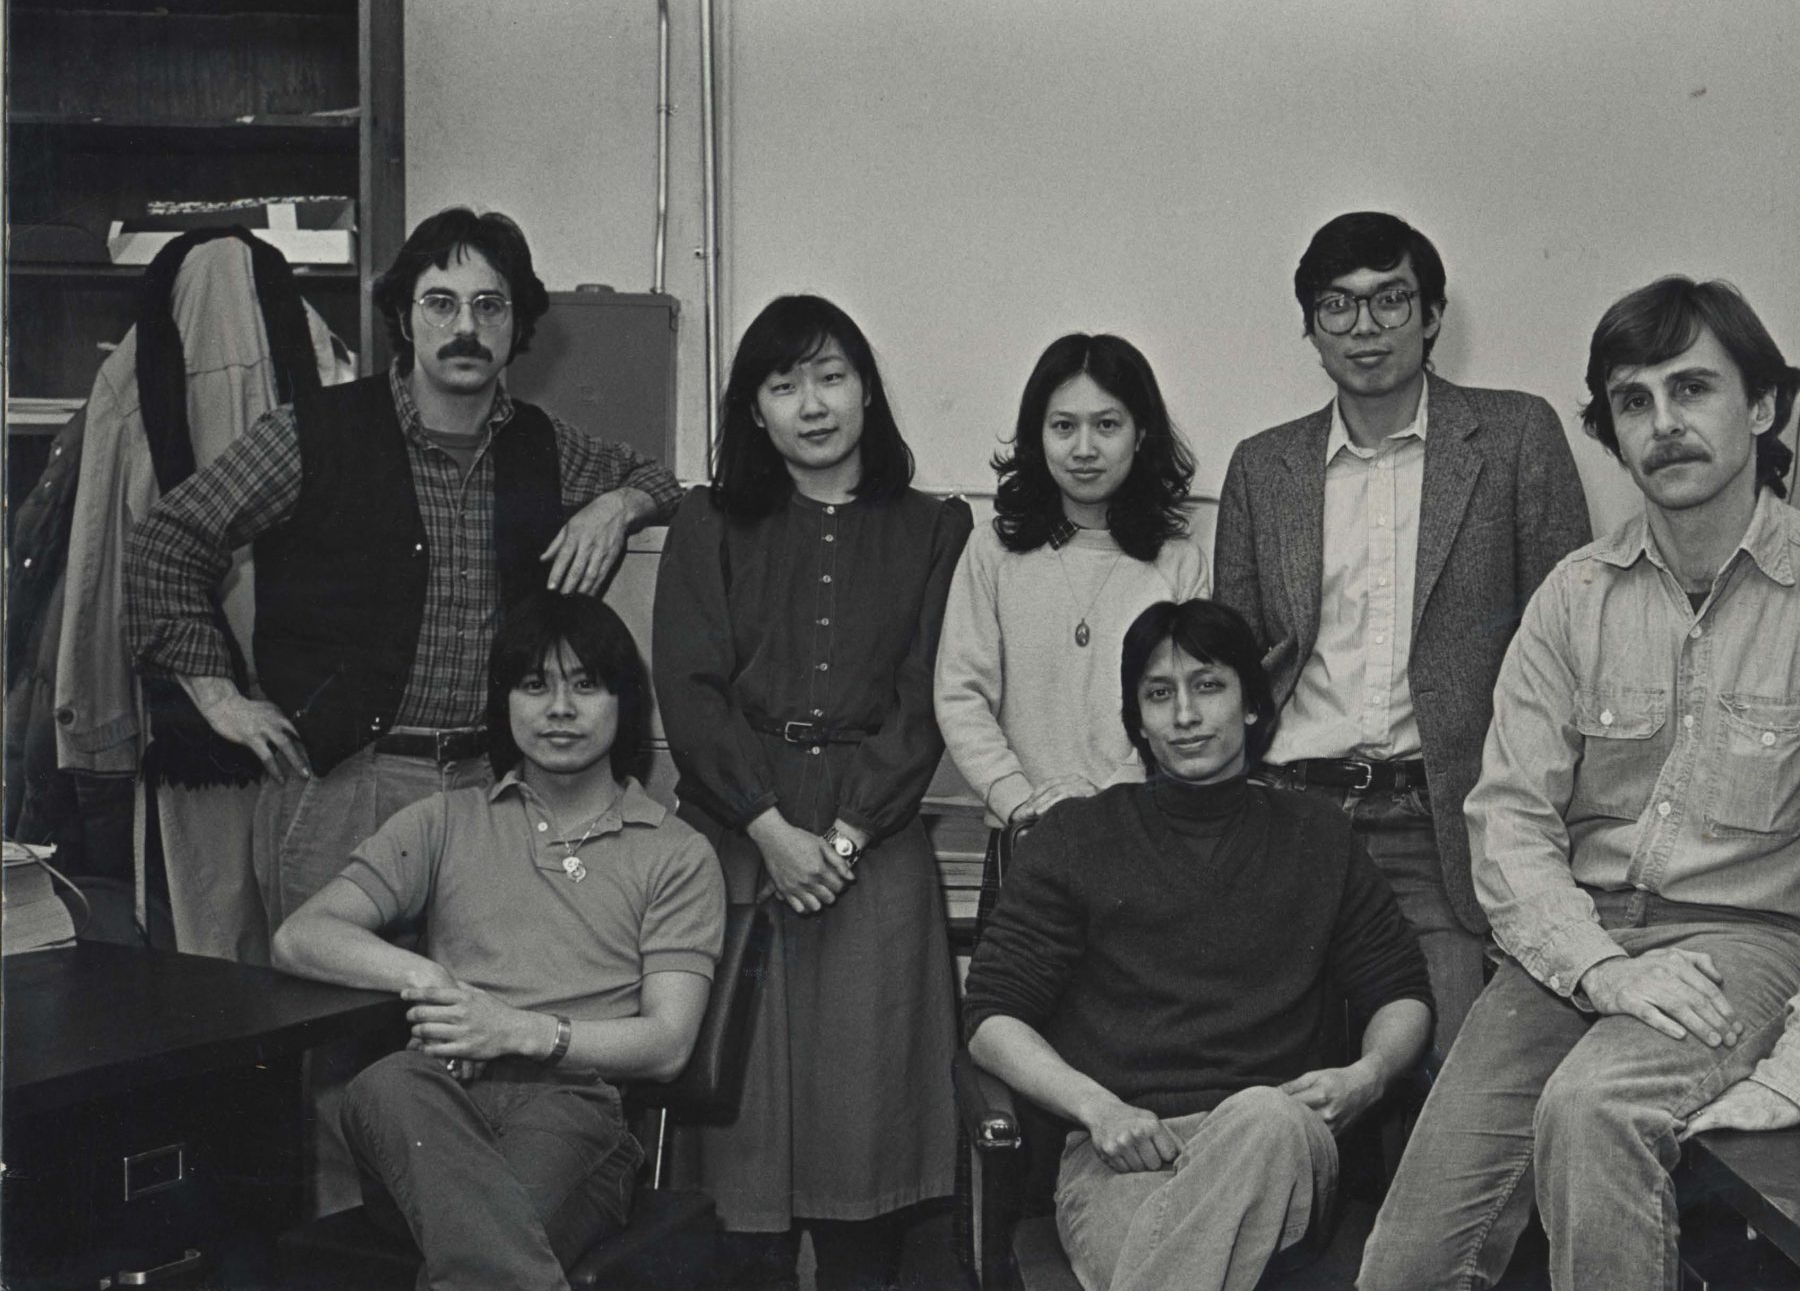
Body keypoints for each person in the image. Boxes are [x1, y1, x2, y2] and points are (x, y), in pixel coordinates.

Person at [1360, 276, 1800, 1291]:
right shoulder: (1574, 597)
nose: (1664, 424)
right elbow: (1508, 821)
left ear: (1765, 406)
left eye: (1692, 389)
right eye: (1633, 401)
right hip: (1577, 942)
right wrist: (1599, 967)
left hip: (1747, 938)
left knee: (1594, 1110)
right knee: (1405, 1260)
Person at [125, 206, 682, 934]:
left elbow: (665, 481)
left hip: (491, 789)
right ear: (404, 316)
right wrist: (217, 696)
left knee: (475, 1020)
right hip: (343, 789)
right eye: (441, 303)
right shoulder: (312, 434)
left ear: (517, 326)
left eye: (490, 306)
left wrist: (618, 504)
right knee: (332, 1028)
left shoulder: (544, 446)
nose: (466, 328)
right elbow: (165, 540)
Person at [964, 599, 1432, 1291]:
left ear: (1250, 703)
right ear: (1138, 719)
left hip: (1281, 1150)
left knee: (1266, 1119)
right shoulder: (1075, 838)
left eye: (1208, 686)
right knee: (1167, 1248)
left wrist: (1366, 1077)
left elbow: (1401, 992)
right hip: (1120, 1158)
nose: (1184, 715)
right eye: (1159, 694)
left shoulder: (1317, 836)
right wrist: (1100, 1109)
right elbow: (991, 1020)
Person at [1213, 211, 1591, 1056]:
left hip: (1442, 815)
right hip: (1292, 811)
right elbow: (1231, 661)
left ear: (1431, 315)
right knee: (1271, 1063)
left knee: (1453, 1068)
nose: (1366, 327)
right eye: (1337, 306)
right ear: (1309, 328)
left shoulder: (1517, 436)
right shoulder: (1262, 467)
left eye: (1391, 300)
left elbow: (1573, 646)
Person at [653, 295, 972, 1290]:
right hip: (734, 838)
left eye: (831, 377)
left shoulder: (935, 527)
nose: (812, 404)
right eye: (783, 384)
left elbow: (927, 699)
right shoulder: (706, 520)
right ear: (754, 410)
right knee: (736, 1134)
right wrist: (771, 830)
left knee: (868, 1130)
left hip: (872, 848)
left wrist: (839, 834)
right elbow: (689, 686)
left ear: (868, 391)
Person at [271, 591, 725, 1291]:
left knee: (489, 1245)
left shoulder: (675, 852)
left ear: (624, 702)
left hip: (572, 1110)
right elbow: (302, 937)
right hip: (430, 1101)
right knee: (386, 1082)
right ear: (505, 703)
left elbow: (667, 1044)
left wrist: (516, 1030)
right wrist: (433, 983)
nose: (560, 709)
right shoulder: (444, 821)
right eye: (534, 685)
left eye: (586, 685)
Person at [935, 332, 1208, 840]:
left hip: (1140, 830)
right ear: (1037, 436)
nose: (1085, 449)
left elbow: (1182, 709)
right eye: (1064, 426)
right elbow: (960, 696)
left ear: (1141, 434)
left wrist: (1109, 801)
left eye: (1107, 425)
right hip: (1024, 831)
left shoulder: (1178, 563)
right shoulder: (992, 551)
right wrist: (1020, 802)